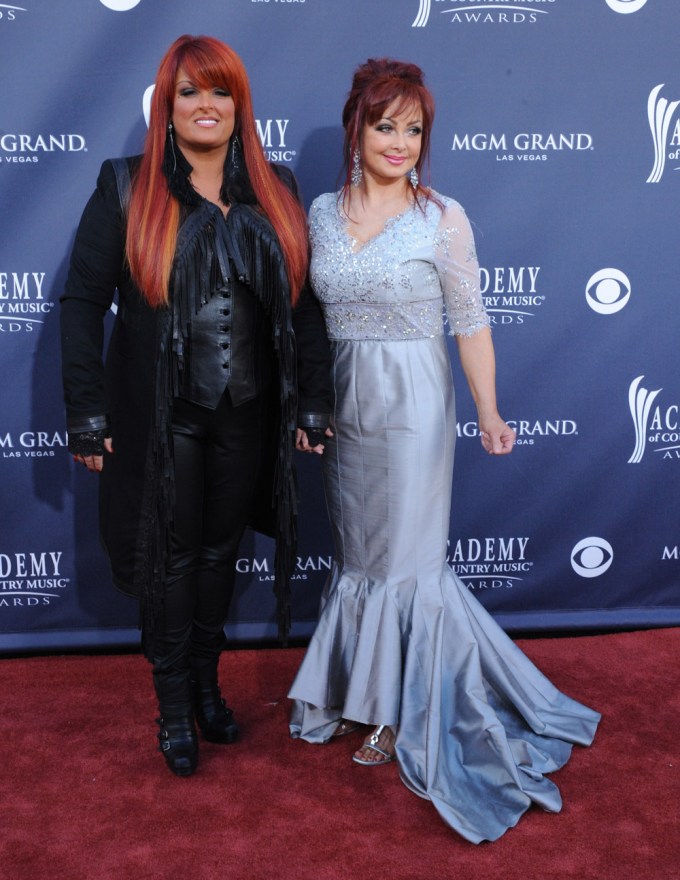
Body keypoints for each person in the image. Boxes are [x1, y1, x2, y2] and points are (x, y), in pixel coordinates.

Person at [288, 58, 600, 843]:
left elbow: (472, 322)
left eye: (414, 128)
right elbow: (307, 326)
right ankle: (350, 694)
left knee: (406, 565)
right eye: (385, 125)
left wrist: (489, 411)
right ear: (355, 127)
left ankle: (399, 710)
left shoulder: (442, 218)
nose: (400, 142)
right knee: (361, 556)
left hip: (417, 406)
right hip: (348, 406)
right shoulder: (320, 212)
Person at [60, 34, 332, 777]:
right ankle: (174, 706)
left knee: (220, 553)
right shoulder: (124, 186)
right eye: (189, 92)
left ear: (239, 104)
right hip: (162, 419)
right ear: (167, 109)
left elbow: (304, 305)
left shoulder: (276, 187)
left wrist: (313, 401)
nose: (205, 104)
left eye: (219, 91)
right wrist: (87, 413)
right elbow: (81, 303)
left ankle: (209, 687)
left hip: (247, 415)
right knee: (172, 561)